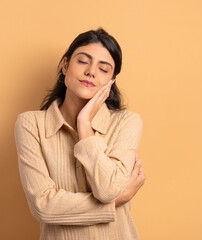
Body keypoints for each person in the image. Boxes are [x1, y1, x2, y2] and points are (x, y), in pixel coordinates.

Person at [14, 27, 145, 240]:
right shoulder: (30, 125)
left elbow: (107, 190)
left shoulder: (126, 123)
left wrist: (84, 125)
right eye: (83, 61)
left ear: (111, 81)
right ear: (65, 65)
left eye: (104, 69)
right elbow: (43, 206)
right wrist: (115, 203)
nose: (91, 72)